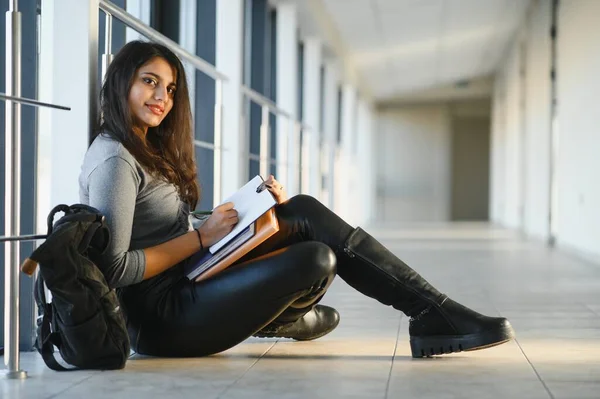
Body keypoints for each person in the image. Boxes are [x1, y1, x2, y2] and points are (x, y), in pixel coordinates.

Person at [79, 41, 514, 359]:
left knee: (299, 213)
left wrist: (247, 212)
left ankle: (431, 310)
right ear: (122, 82)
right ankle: (285, 318)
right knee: (316, 259)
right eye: (150, 82)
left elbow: (167, 224)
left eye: (171, 89)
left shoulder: (145, 147)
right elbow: (113, 269)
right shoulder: (114, 159)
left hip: (190, 277)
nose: (162, 98)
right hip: (161, 320)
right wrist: (199, 239)